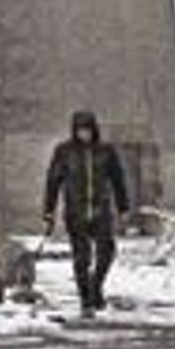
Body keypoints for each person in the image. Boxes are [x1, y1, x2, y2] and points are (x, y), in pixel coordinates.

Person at [41, 110, 131, 317]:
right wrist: (48, 210)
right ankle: (86, 301)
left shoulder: (106, 151)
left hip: (101, 210)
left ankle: (95, 285)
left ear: (94, 128)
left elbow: (118, 180)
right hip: (76, 212)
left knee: (107, 252)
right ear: (74, 130)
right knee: (82, 258)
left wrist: (123, 207)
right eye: (80, 130)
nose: (85, 134)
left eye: (88, 129)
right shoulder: (64, 151)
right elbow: (53, 182)